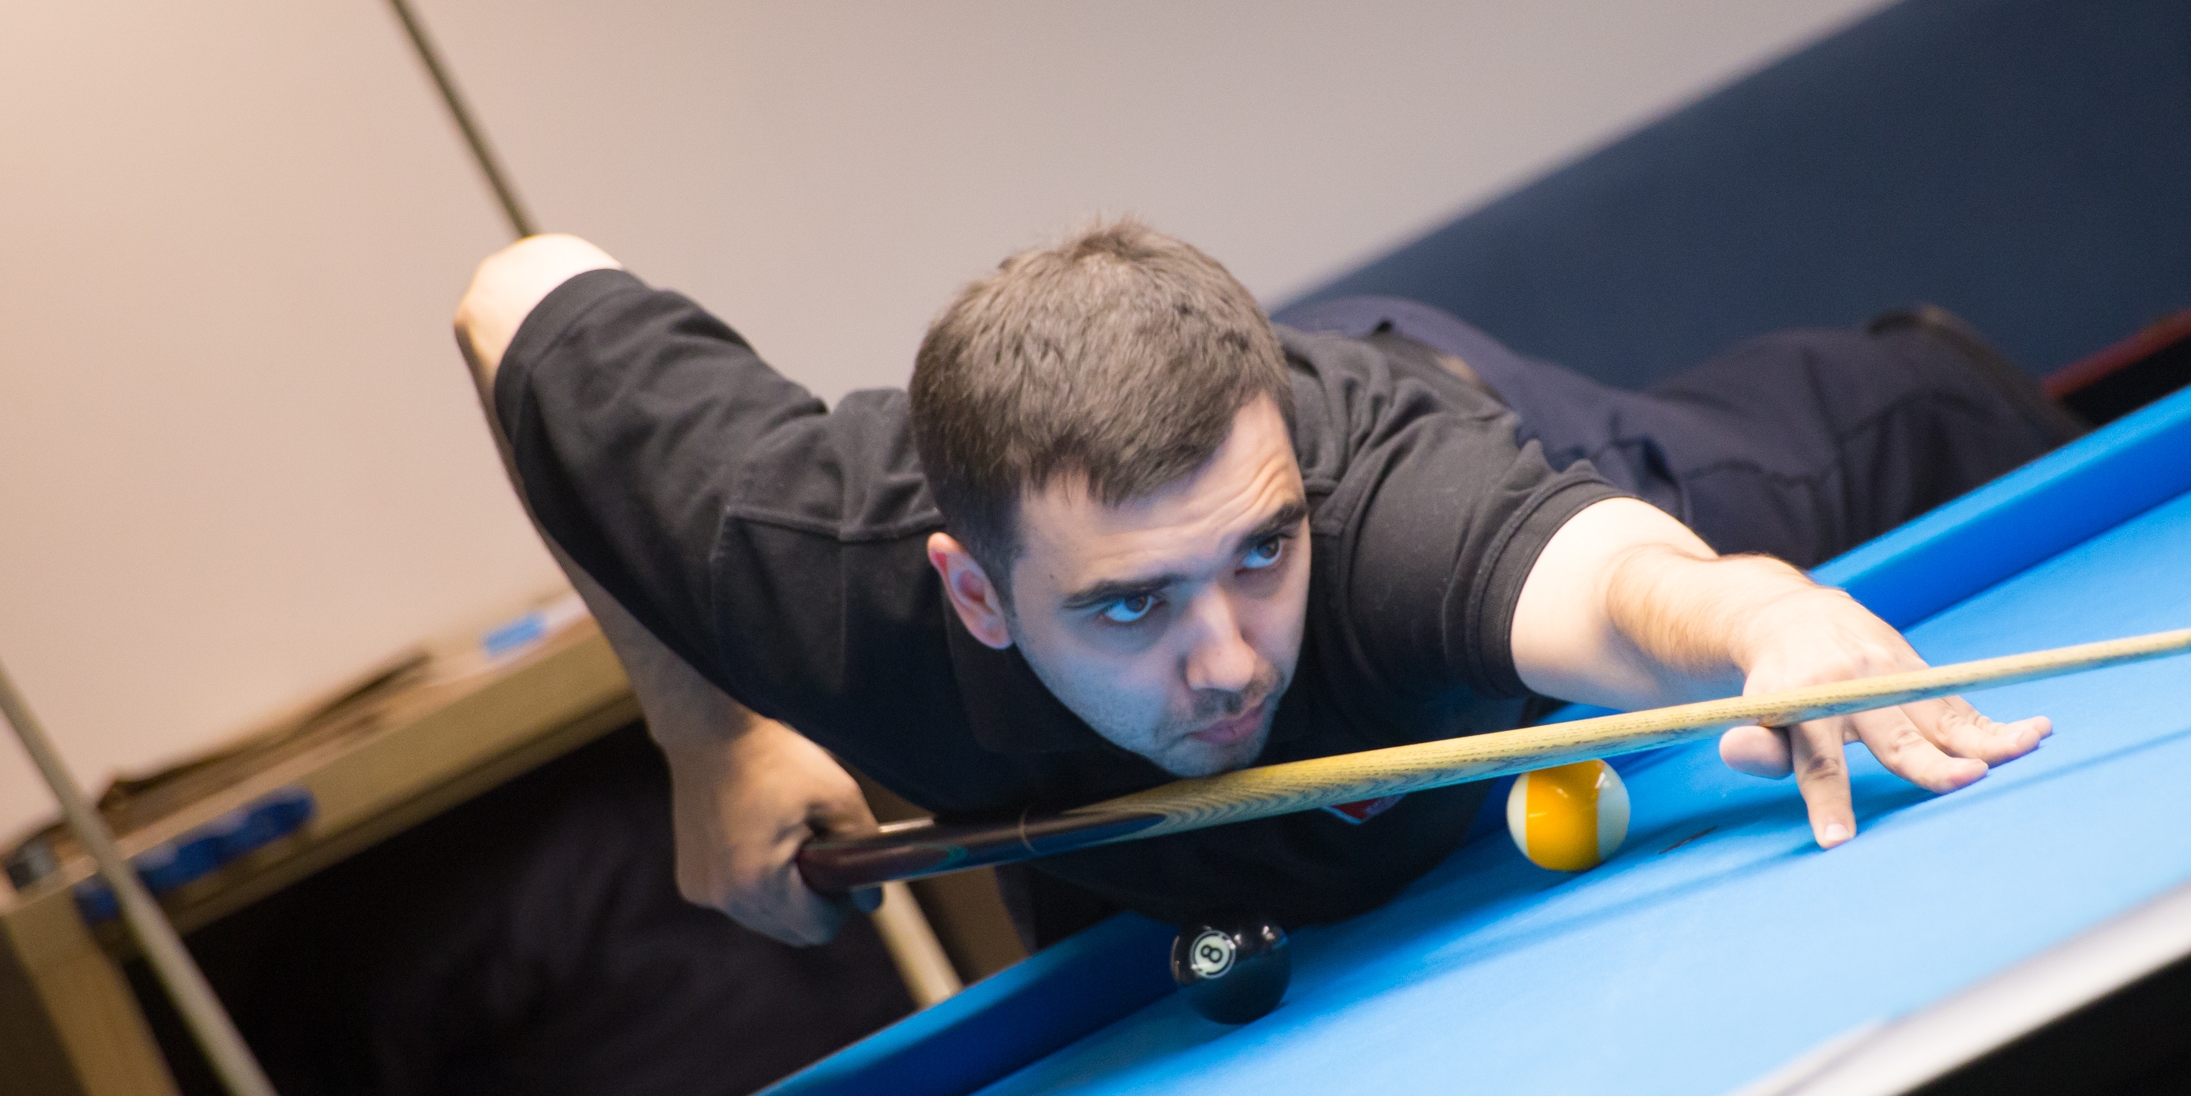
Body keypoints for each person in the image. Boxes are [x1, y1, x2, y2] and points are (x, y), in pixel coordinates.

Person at [455, 219, 2074, 949]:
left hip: (1490, 432)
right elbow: (517, 295)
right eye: (1129, 606)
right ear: (975, 597)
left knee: (1828, 452)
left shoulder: (1378, 527)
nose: (1227, 658)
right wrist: (713, 738)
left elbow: (1611, 584)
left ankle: (1932, 377)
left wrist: (1765, 618)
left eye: (1255, 562)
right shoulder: (816, 571)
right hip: (1138, 830)